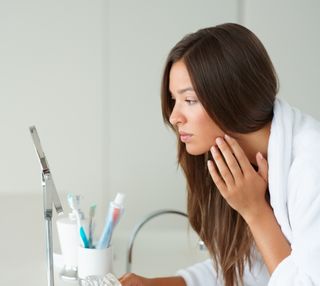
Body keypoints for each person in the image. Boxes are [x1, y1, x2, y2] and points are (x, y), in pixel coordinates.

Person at [119, 23, 320, 286]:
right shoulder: (239, 163)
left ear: (233, 98)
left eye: (189, 100)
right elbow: (249, 267)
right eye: (174, 100)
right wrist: (154, 284)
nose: (174, 116)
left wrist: (255, 211)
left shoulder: (310, 167)